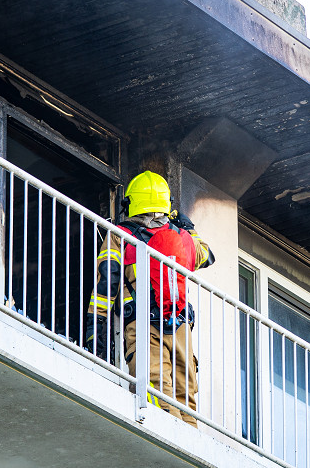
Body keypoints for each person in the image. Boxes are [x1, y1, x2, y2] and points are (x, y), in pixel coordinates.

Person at [84, 171, 215, 426]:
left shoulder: (119, 235)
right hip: (181, 332)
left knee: (157, 399)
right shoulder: (182, 237)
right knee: (185, 400)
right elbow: (206, 256)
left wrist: (95, 332)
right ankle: (187, 451)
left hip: (144, 330)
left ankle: (172, 451)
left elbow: (106, 284)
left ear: (131, 203)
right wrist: (190, 228)